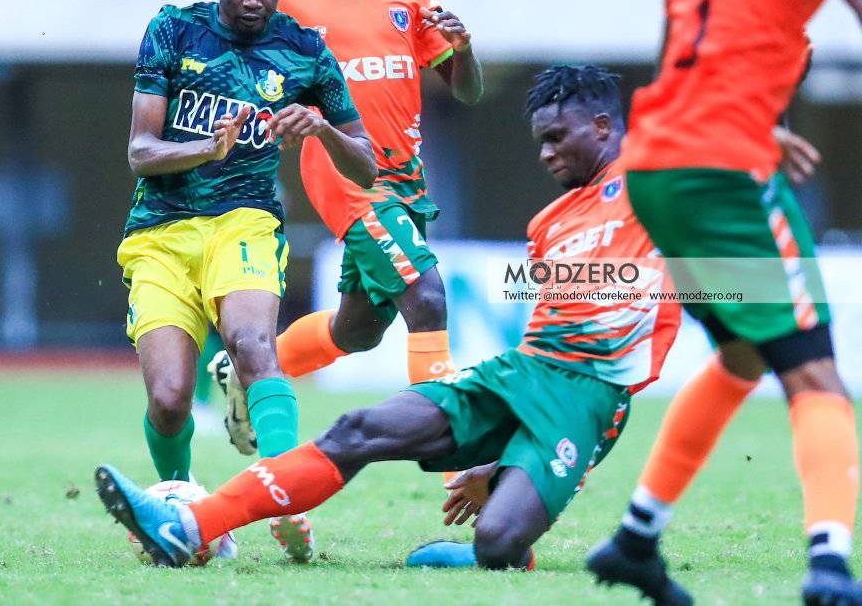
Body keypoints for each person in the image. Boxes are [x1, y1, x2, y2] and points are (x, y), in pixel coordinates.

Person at [93, 65, 683, 571]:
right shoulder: (549, 224)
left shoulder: (658, 187)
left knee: (499, 542)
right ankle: (189, 527)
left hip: (588, 400)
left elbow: (714, 286)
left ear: (603, 127)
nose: (546, 153)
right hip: (521, 373)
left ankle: (503, 547)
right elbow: (551, 326)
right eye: (541, 142)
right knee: (357, 430)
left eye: (557, 138)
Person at [584, 0, 862, 604]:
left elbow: (683, 53)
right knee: (816, 375)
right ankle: (831, 564)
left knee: (744, 354)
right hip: (722, 171)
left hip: (659, 162)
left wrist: (756, 119)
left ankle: (636, 539)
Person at [118, 0, 375, 562]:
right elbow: (141, 152)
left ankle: (283, 494)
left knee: (255, 343)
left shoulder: (306, 51)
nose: (253, 0)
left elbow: (367, 164)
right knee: (171, 400)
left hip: (247, 220)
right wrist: (210, 145)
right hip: (161, 232)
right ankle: (178, 492)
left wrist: (321, 128)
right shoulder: (173, 30)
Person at [210, 0, 484, 457]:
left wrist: (464, 49)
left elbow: (465, 92)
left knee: (358, 330)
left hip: (407, 178)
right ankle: (449, 442)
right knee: (428, 296)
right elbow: (254, 73)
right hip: (346, 178)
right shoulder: (292, 5)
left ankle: (252, 368)